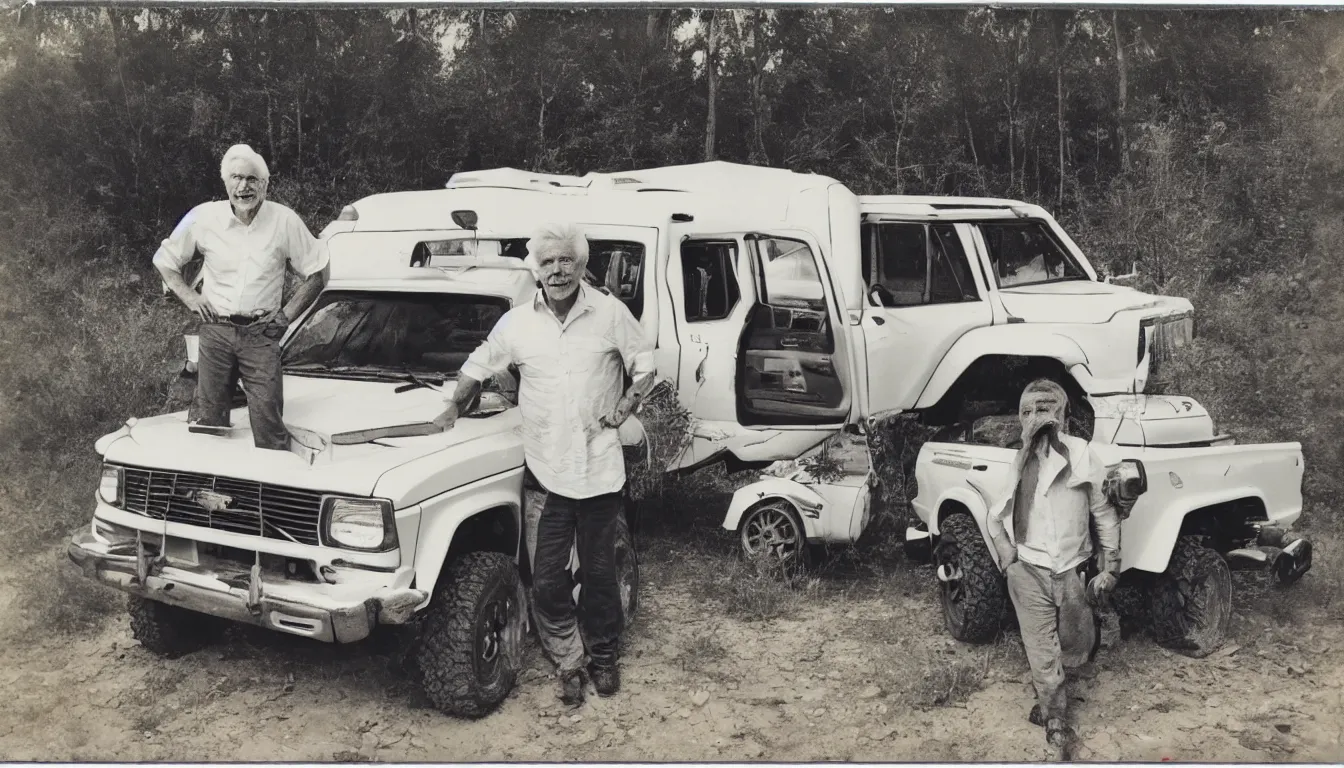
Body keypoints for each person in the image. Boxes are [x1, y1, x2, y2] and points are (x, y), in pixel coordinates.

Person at [435, 222, 655, 705]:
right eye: (548, 262)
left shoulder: (610, 313)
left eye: (566, 261)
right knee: (548, 579)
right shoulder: (517, 322)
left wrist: (627, 404)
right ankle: (568, 661)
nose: (557, 270)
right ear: (536, 268)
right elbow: (480, 362)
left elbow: (645, 364)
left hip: (598, 472)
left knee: (599, 576)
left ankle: (602, 655)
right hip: (546, 474)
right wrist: (453, 405)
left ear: (580, 265)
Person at [153, 144, 329, 450]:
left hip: (261, 334)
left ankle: (273, 485)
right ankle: (212, 492)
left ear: (265, 184)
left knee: (268, 426)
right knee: (208, 424)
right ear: (225, 182)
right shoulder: (201, 217)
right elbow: (164, 260)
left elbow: (318, 273)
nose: (243, 186)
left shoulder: (284, 221)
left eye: (251, 179)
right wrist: (191, 298)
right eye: (236, 178)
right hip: (215, 333)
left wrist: (286, 317)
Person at [985, 378, 1121, 759]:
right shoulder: (1017, 459)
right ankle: (1056, 719)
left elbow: (1104, 513)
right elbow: (994, 515)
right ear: (1020, 417)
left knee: (1076, 645)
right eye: (1028, 411)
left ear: (1061, 415)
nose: (1036, 417)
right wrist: (1008, 559)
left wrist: (1111, 566)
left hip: (1073, 570)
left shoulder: (1081, 454)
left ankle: (1051, 695)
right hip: (1028, 571)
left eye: (1045, 408)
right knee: (1041, 649)